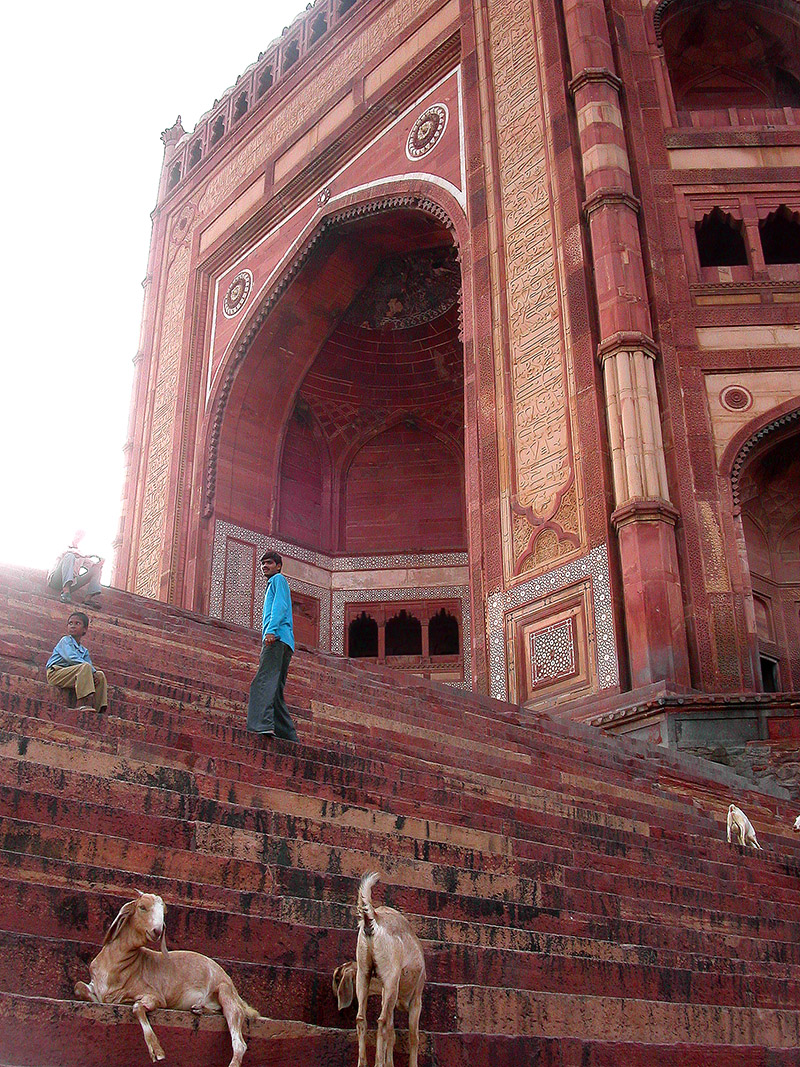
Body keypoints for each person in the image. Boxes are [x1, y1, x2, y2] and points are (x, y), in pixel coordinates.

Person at [246, 551, 297, 741]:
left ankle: (261, 725)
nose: (264, 566)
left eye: (269, 563)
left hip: (275, 639)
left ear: (278, 566)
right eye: (262, 563)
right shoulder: (275, 583)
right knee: (275, 690)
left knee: (263, 682)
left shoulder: (278, 580)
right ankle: (287, 735)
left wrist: (271, 631)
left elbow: (280, 606)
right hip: (285, 641)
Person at [46, 611, 109, 712]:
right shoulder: (65, 640)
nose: (73, 626)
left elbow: (89, 667)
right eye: (70, 623)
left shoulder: (84, 650)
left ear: (85, 629)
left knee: (100, 675)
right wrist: (91, 671)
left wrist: (94, 674)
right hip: (56, 674)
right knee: (86, 667)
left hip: (72, 675)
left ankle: (99, 708)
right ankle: (82, 703)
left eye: (77, 623)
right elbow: (71, 657)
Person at [47, 532, 104, 606]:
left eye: (80, 536)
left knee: (96, 569)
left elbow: (90, 565)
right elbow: (66, 553)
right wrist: (85, 555)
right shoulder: (64, 546)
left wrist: (100, 563)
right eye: (77, 535)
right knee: (70, 556)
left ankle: (88, 598)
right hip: (56, 580)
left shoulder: (80, 554)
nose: (78, 538)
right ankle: (65, 592)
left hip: (72, 583)